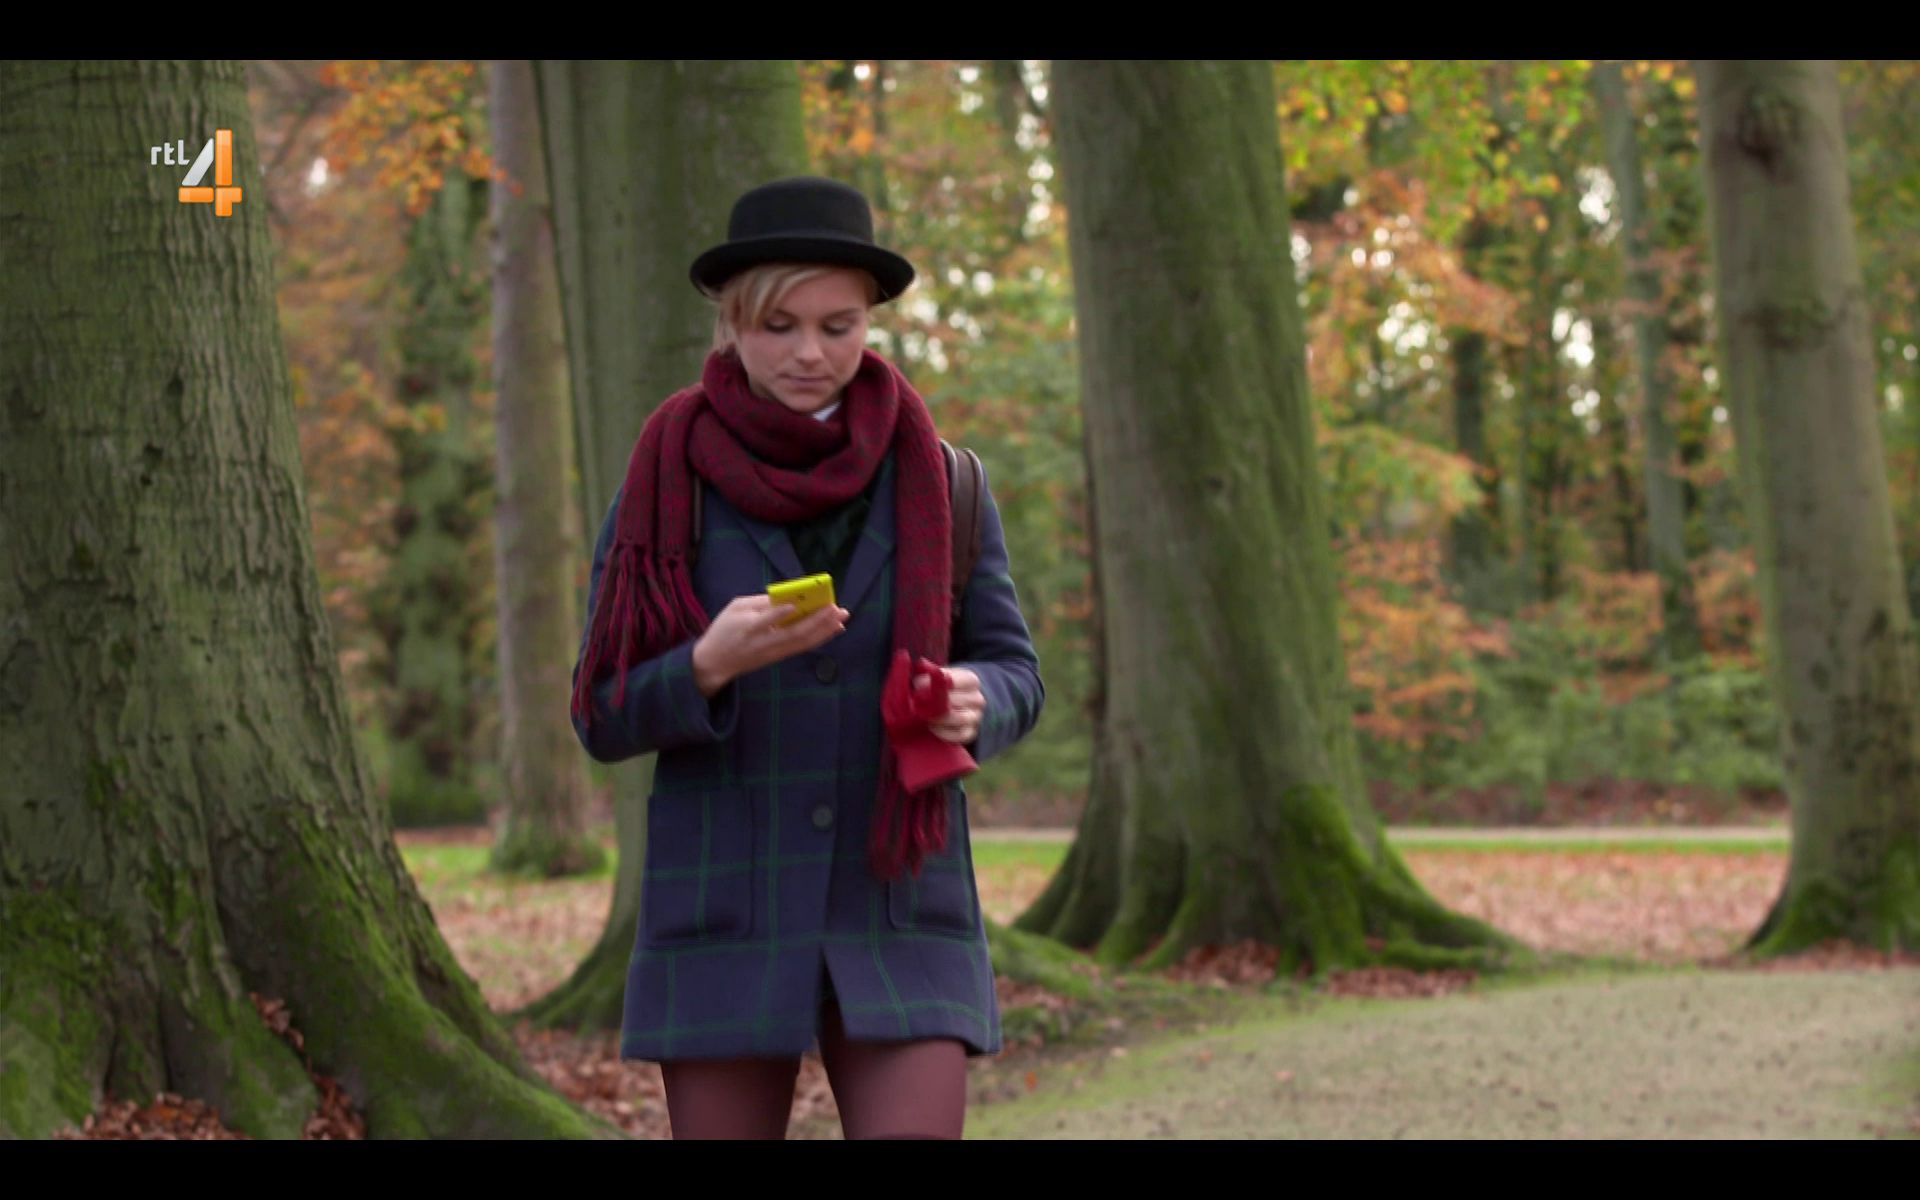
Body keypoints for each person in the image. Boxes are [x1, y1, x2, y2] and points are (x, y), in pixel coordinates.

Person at [569, 176, 1045, 1140]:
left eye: (839, 325)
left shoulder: (941, 480)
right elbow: (602, 711)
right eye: (778, 326)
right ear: (732, 324)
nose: (810, 353)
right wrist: (706, 663)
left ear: (870, 321)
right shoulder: (666, 483)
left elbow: (1015, 672)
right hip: (725, 908)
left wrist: (974, 699)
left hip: (898, 899)